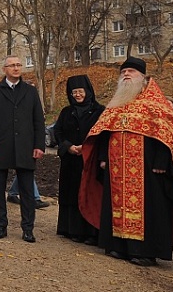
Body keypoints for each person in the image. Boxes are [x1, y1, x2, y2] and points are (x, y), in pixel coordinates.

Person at [80, 57, 173, 266]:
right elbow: (104, 133)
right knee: (116, 207)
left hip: (149, 168)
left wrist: (161, 162)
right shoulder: (117, 104)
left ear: (143, 76)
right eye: (123, 71)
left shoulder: (157, 104)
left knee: (150, 209)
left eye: (131, 71)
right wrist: (103, 159)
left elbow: (168, 135)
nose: (126, 74)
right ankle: (119, 247)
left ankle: (145, 252)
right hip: (117, 167)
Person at [0, 55, 46, 243]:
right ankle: (1, 225)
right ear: (5, 69)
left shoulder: (30, 91)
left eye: (19, 65)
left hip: (25, 147)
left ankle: (28, 228)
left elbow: (38, 121)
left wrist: (39, 145)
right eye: (12, 65)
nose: (16, 68)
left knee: (26, 190)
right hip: (0, 147)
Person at [54, 75, 104, 245]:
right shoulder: (66, 112)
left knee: (90, 194)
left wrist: (86, 147)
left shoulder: (100, 111)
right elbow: (58, 131)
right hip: (70, 160)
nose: (77, 95)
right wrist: (68, 146)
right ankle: (71, 229)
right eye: (74, 92)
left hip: (90, 160)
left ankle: (90, 233)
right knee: (71, 194)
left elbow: (103, 134)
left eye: (80, 91)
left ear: (88, 91)